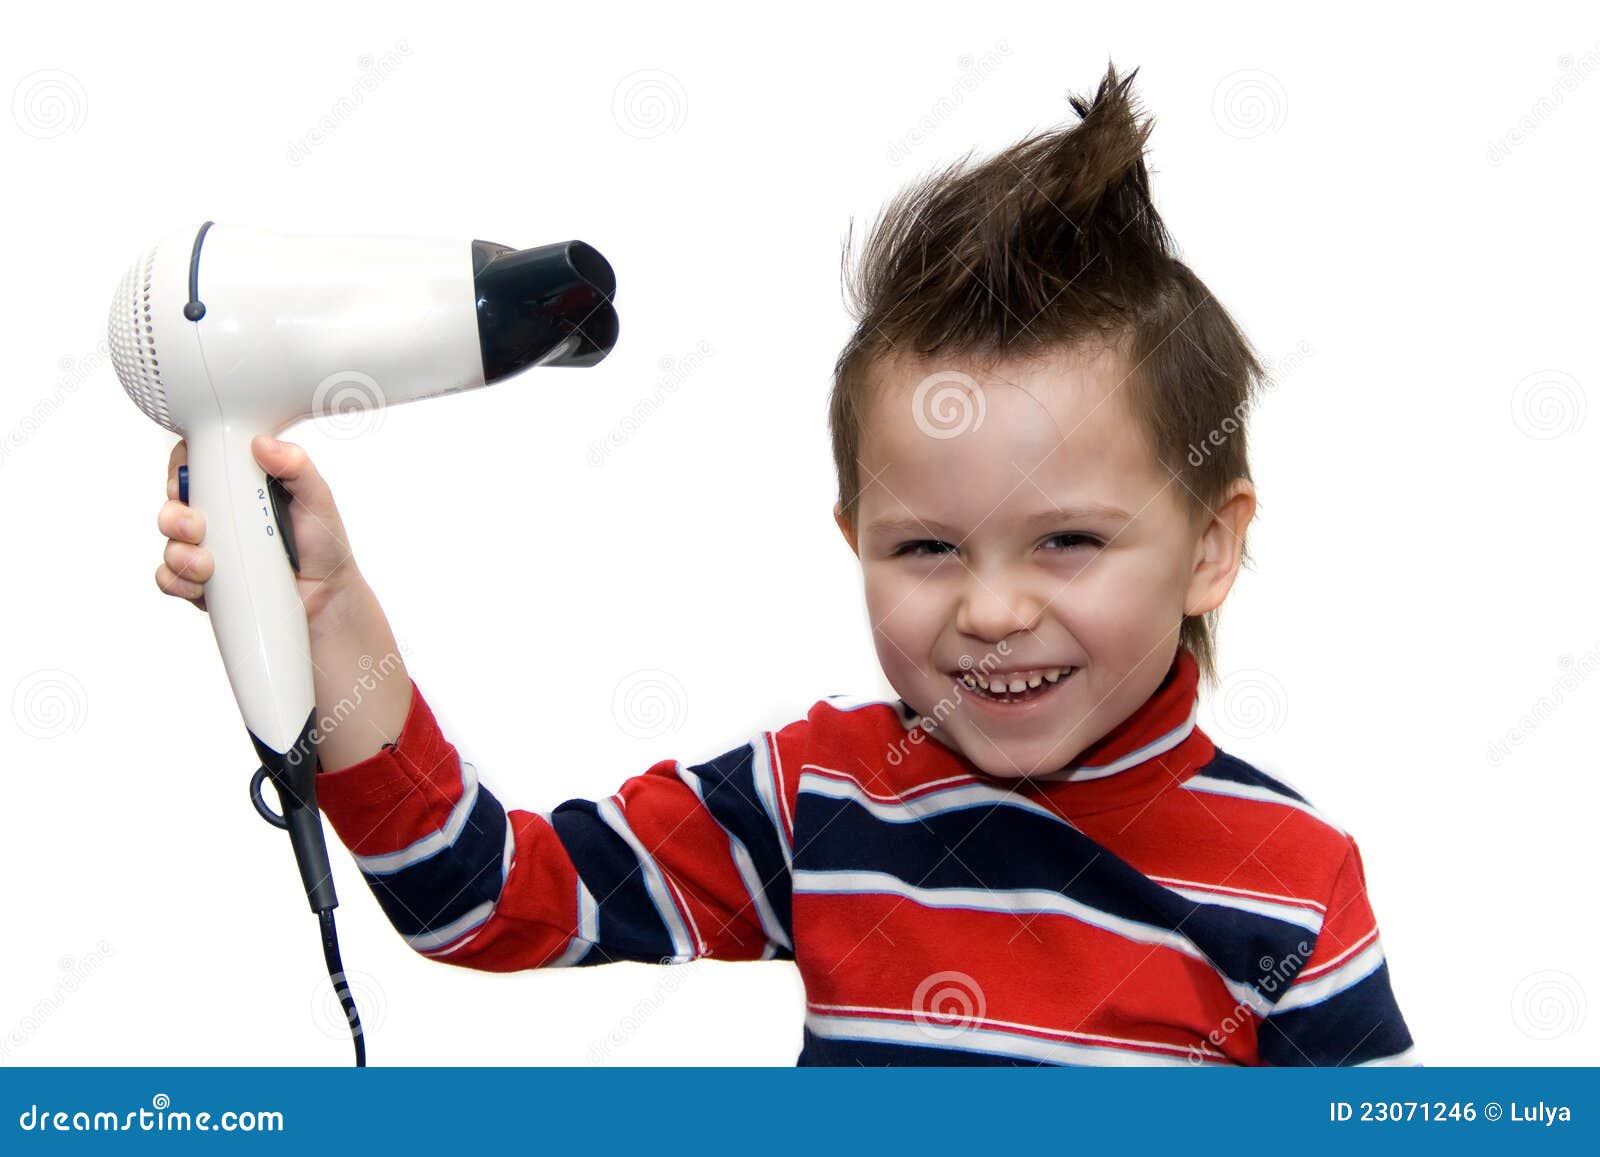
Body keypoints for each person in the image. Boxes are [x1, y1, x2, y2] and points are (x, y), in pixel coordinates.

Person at [153, 63, 1415, 1066]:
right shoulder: (820, 799)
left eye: (1067, 540)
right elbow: (483, 900)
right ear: (853, 540)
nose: (988, 609)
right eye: (924, 548)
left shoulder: (1294, 889)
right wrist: (331, 618)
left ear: (1211, 545)